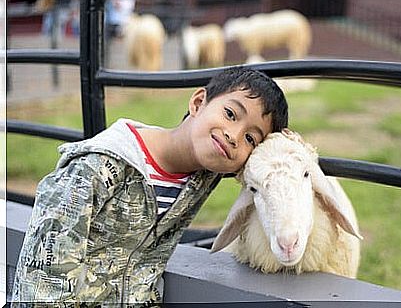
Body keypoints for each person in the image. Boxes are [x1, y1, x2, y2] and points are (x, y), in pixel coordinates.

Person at [11, 68, 289, 306]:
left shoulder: (203, 173)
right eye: (230, 114)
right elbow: (42, 281)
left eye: (251, 138)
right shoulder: (94, 169)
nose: (233, 136)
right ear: (198, 102)